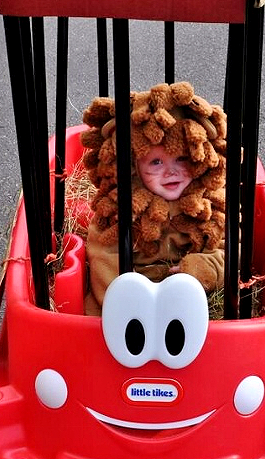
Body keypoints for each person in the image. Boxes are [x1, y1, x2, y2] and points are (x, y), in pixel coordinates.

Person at [79, 82, 228, 316]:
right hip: (130, 306)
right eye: (156, 162)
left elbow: (229, 251)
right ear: (134, 165)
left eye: (181, 158)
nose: (171, 172)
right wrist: (128, 305)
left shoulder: (208, 204)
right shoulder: (119, 206)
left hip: (192, 302)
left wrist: (202, 271)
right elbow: (102, 257)